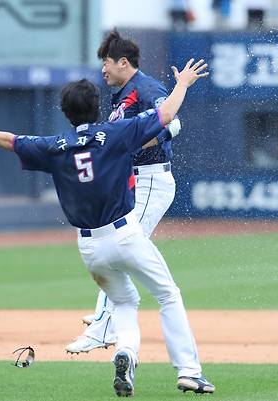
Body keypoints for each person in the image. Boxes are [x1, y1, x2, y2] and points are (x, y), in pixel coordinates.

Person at [0, 59, 215, 396]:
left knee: (123, 302)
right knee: (167, 295)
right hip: (125, 233)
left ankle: (125, 353)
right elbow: (165, 115)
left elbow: (13, 141)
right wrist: (183, 84)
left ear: (65, 111)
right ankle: (189, 372)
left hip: (90, 248)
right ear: (97, 107)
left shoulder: (54, 147)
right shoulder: (117, 133)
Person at [64, 29, 182, 357]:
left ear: (123, 63)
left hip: (151, 181)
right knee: (118, 250)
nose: (103, 69)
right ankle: (105, 321)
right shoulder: (121, 93)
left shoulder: (146, 88)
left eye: (107, 62)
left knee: (119, 246)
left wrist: (133, 145)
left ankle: (102, 328)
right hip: (134, 180)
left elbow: (173, 125)